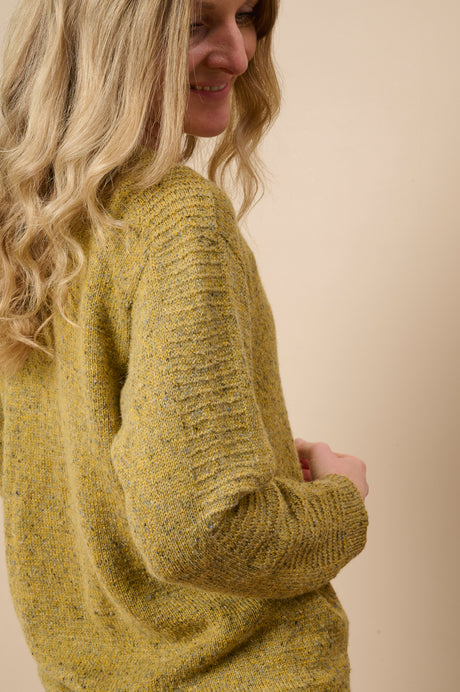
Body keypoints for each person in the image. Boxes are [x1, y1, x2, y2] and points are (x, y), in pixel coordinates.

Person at [0, 0, 369, 690]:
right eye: (195, 23)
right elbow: (201, 532)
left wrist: (225, 458)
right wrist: (342, 500)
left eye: (246, 15)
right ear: (108, 35)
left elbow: (81, 481)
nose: (239, 53)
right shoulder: (178, 220)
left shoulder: (29, 231)